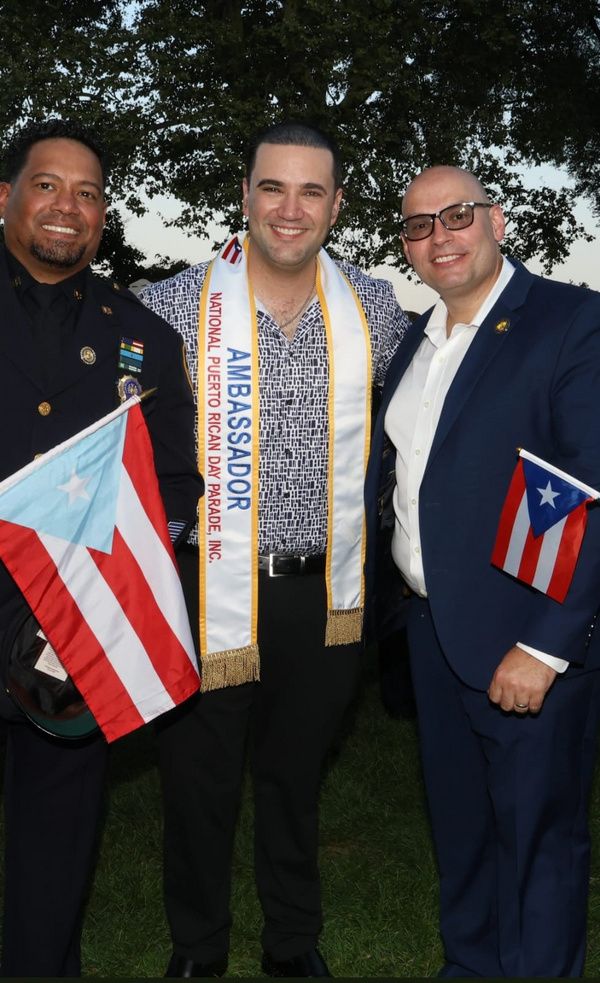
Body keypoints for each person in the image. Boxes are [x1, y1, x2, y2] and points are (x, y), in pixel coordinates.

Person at [141, 120, 410, 978]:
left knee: (295, 781)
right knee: (199, 782)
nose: (289, 209)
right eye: (272, 187)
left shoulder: (377, 309)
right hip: (203, 582)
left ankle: (293, 942)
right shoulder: (172, 305)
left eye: (310, 191)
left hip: (324, 593)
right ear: (246, 193)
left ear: (335, 204)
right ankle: (198, 946)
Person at [365, 165, 600, 978]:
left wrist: (546, 645)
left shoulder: (570, 322)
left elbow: (586, 486)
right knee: (462, 830)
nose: (440, 236)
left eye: (456, 215)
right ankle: (469, 965)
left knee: (537, 837)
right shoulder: (416, 341)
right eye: (419, 225)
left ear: (496, 220)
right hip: (433, 631)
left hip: (525, 641)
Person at [0, 119, 201, 977]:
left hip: (70, 632)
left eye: (86, 194)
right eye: (46, 184)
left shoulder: (144, 335)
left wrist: (125, 572)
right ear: (5, 196)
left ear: (102, 215)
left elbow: (179, 484)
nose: (66, 208)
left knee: (54, 851)